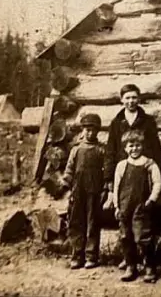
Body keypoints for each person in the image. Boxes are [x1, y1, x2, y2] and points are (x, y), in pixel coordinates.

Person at [104, 83, 161, 271]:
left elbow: (156, 149)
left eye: (134, 97)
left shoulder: (147, 121)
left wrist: (157, 174)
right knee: (125, 227)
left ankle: (147, 262)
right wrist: (109, 182)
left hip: (143, 177)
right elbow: (110, 151)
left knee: (143, 226)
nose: (131, 101)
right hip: (123, 176)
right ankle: (130, 260)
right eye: (127, 98)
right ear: (122, 100)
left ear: (139, 99)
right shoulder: (117, 122)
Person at [112, 129, 161, 283]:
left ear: (143, 146)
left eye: (138, 145)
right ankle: (131, 266)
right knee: (125, 236)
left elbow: (157, 183)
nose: (134, 149)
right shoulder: (121, 165)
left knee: (143, 237)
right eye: (131, 146)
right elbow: (116, 186)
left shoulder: (149, 164)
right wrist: (116, 206)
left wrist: (151, 199)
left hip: (141, 206)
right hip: (124, 206)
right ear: (125, 148)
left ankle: (149, 266)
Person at [61, 113, 106, 269]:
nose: (90, 133)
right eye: (87, 129)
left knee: (93, 222)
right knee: (76, 222)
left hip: (94, 191)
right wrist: (67, 185)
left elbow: (107, 171)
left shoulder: (101, 150)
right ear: (82, 130)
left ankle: (91, 256)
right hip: (77, 191)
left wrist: (106, 190)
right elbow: (69, 170)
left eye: (93, 130)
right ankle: (77, 255)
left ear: (98, 131)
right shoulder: (76, 150)